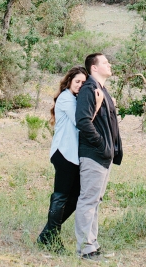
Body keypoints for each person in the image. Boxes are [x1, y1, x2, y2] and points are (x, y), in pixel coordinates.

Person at [36, 66, 101, 249]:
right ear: (69, 81)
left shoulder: (73, 98)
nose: (80, 85)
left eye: (83, 82)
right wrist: (96, 105)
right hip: (63, 153)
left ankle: (48, 233)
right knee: (61, 196)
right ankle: (51, 238)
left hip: (72, 156)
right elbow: (81, 122)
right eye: (77, 81)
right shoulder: (66, 98)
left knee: (75, 195)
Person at [74, 52, 122, 259]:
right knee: (88, 201)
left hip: (104, 156)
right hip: (94, 155)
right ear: (94, 68)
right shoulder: (89, 90)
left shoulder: (102, 90)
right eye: (105, 62)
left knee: (95, 201)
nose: (109, 64)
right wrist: (102, 145)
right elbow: (83, 121)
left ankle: (92, 244)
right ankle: (86, 249)